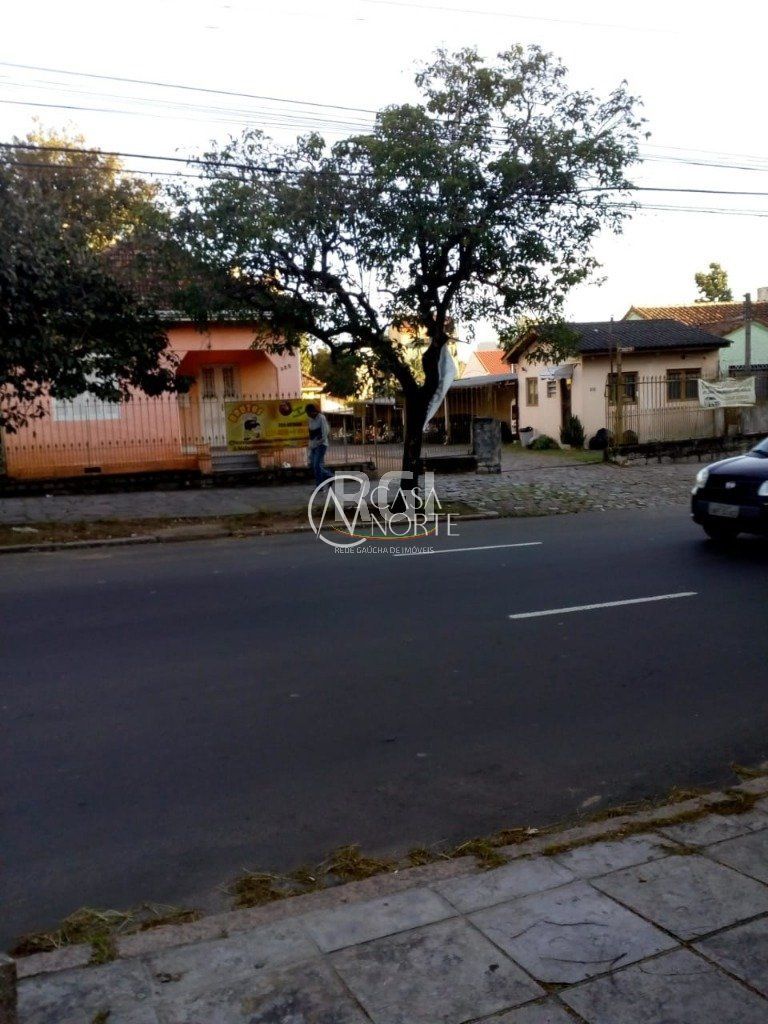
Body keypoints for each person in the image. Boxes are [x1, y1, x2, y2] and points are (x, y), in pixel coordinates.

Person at [306, 403, 333, 486]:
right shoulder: (310, 420)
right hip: (313, 445)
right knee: (313, 465)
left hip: (321, 444)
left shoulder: (321, 418)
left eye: (308, 413)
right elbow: (311, 434)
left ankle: (320, 486)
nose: (308, 415)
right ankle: (329, 476)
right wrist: (311, 445)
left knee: (317, 465)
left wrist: (319, 442)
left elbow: (325, 432)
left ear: (313, 412)